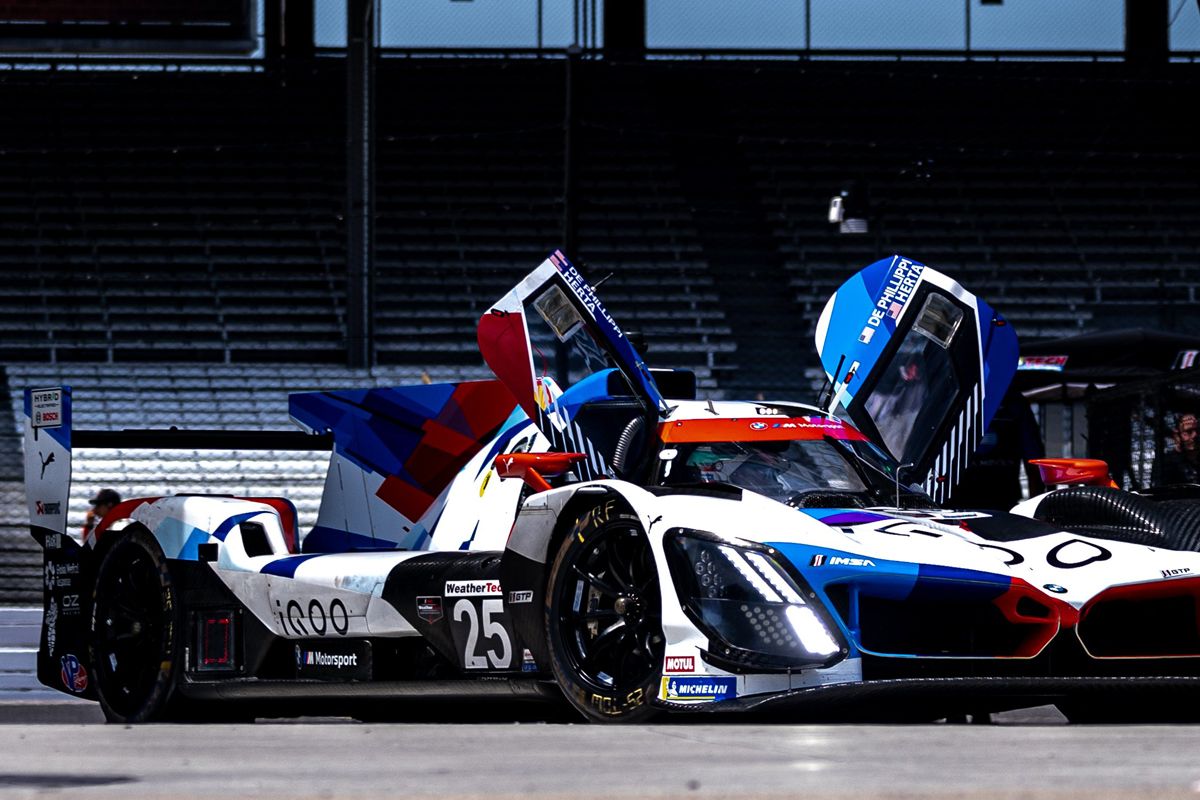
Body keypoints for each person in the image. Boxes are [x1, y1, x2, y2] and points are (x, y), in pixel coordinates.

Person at [1157, 413, 1200, 485]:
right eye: (1188, 432)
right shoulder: (1166, 462)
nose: (1195, 435)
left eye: (1198, 431)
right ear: (1177, 436)